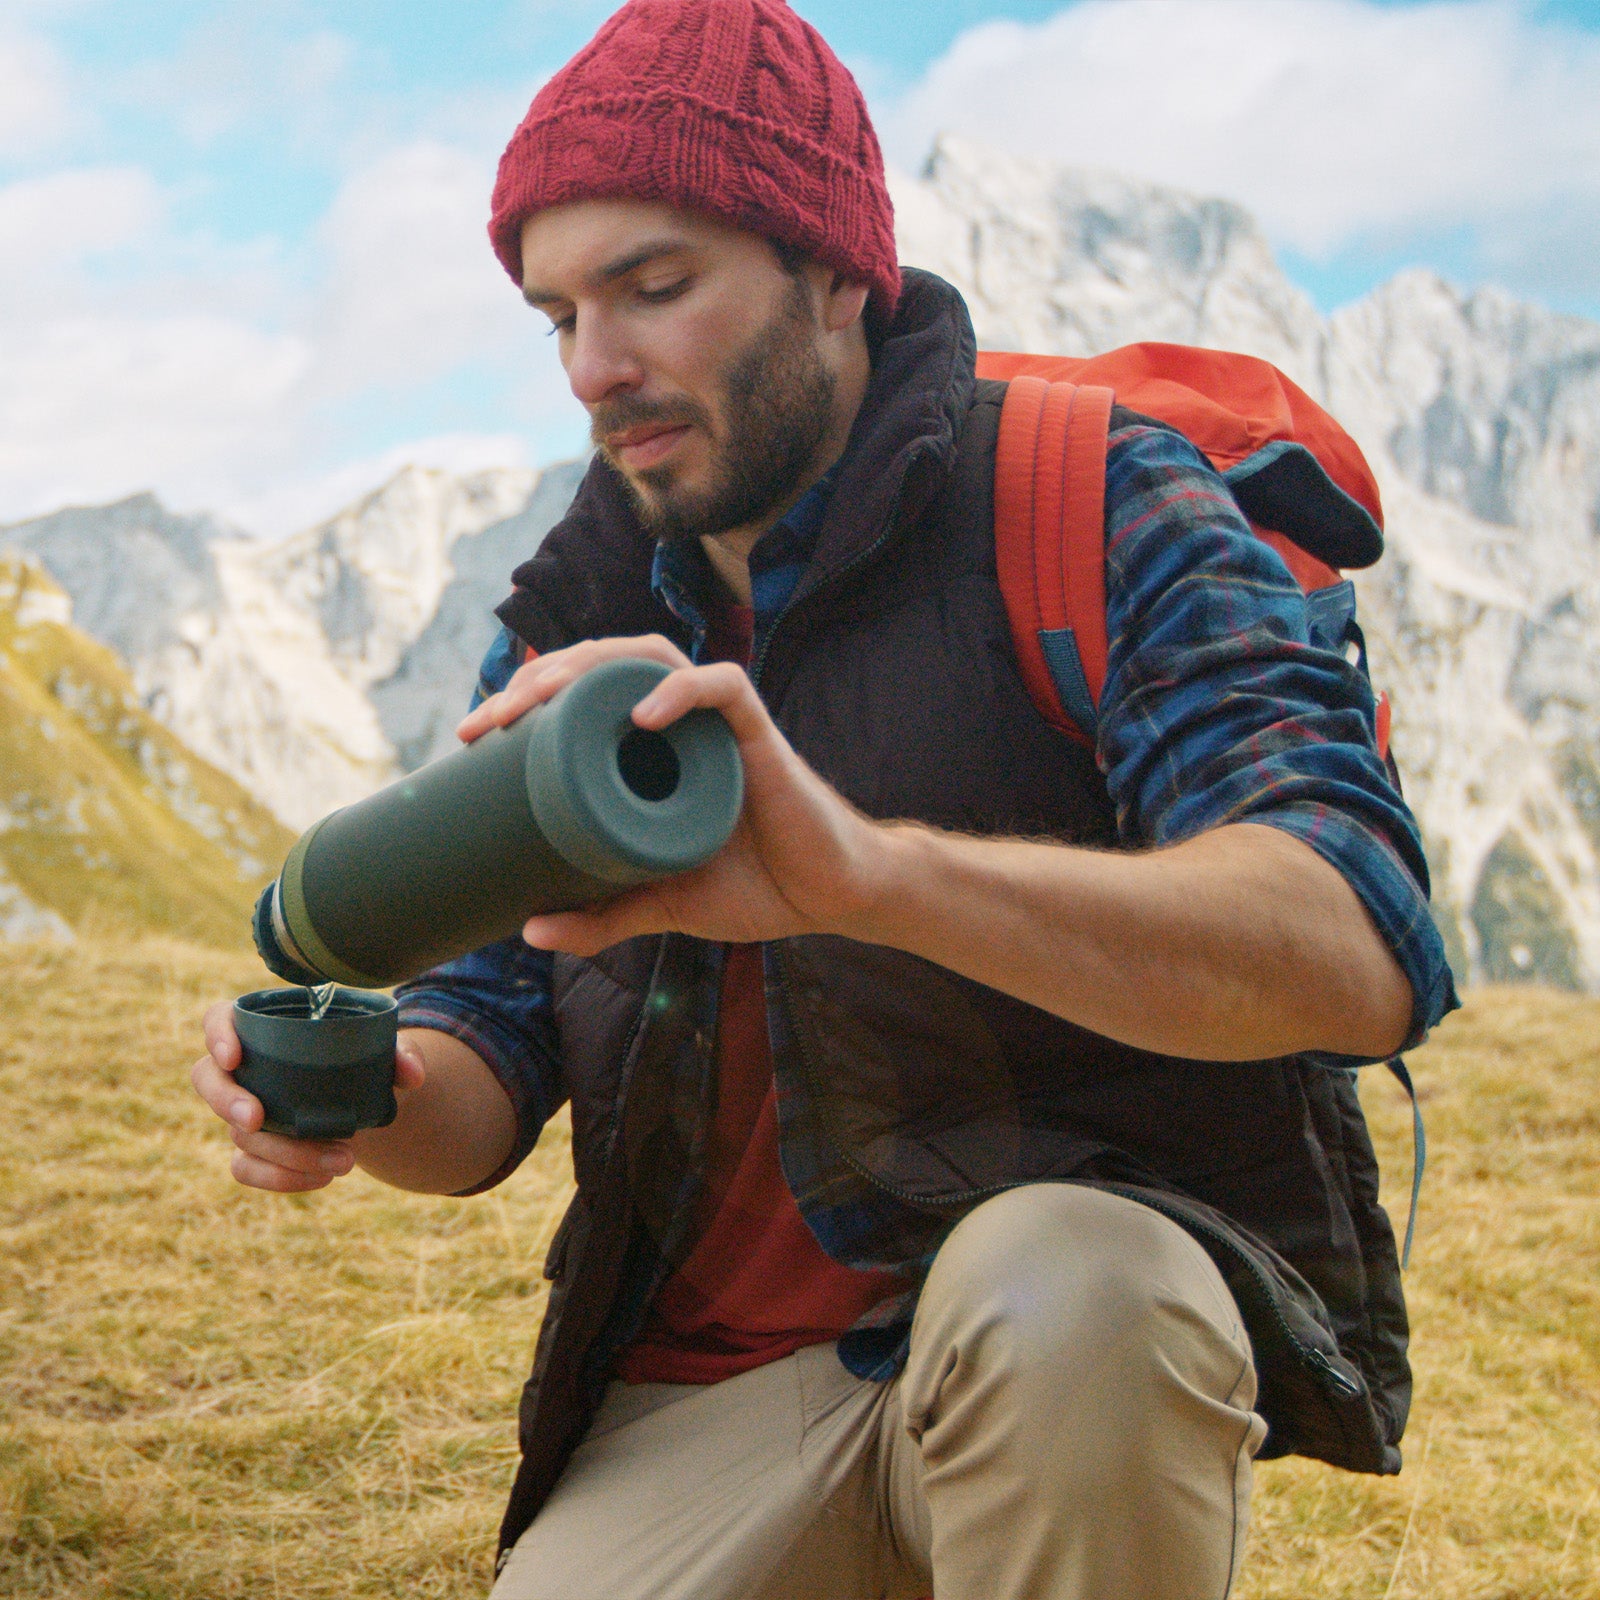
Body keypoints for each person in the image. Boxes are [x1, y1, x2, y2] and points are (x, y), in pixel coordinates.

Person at [191, 2, 1458, 1596]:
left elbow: (1357, 945)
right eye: (558, 314)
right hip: (709, 1395)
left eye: (655, 289)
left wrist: (862, 875)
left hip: (1057, 1345)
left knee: (1066, 1284)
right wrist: (365, 1097)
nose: (598, 367)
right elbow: (493, 1055)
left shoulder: (1098, 500)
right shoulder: (576, 608)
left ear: (838, 270)